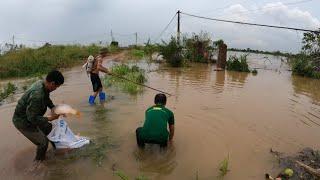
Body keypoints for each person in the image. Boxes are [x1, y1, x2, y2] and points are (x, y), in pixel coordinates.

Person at [12, 70, 64, 162]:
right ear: (52, 83)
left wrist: (53, 108)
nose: (56, 89)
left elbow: (46, 98)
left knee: (50, 128)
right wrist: (50, 118)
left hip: (32, 116)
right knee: (43, 143)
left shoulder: (43, 84)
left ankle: (57, 150)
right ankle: (38, 164)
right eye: (56, 86)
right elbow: (31, 118)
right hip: (23, 121)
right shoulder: (37, 95)